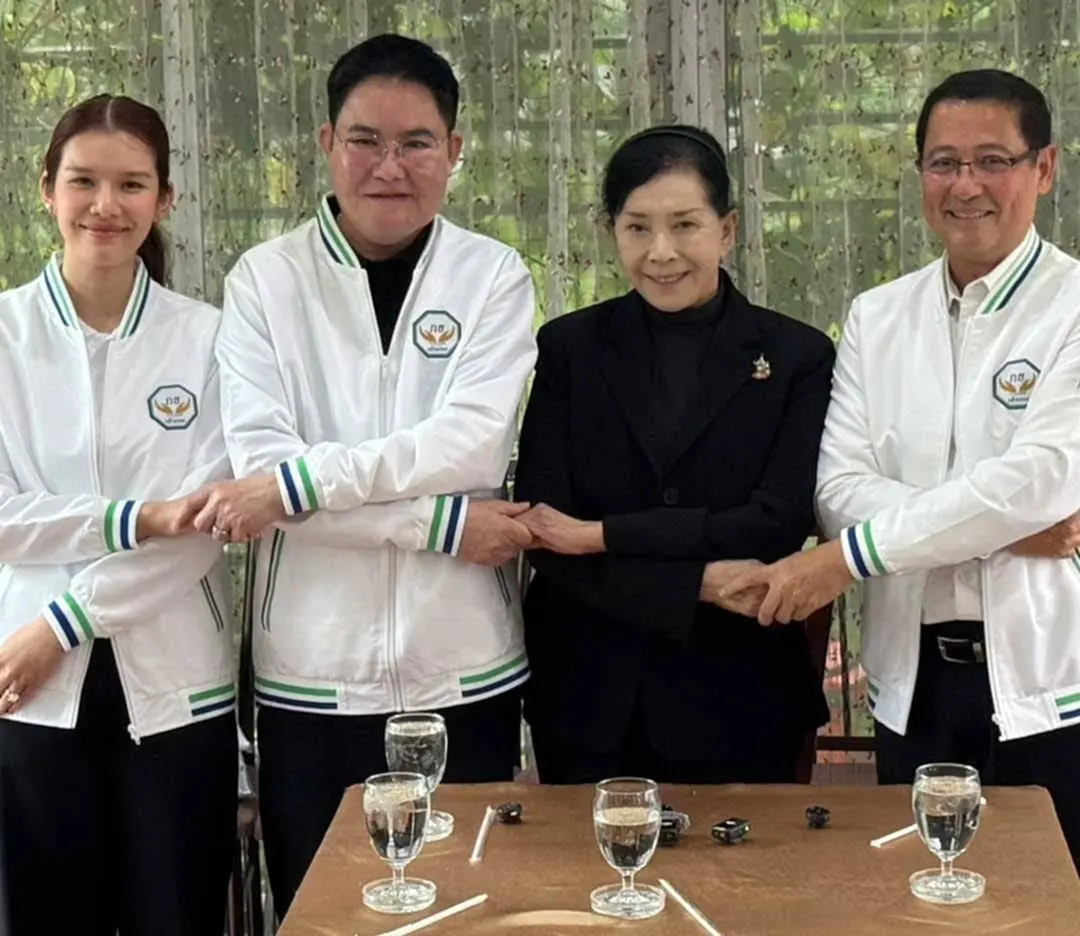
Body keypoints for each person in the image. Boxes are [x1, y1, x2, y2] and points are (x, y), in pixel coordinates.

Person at [203, 34, 537, 916]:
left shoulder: (492, 275)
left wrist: (298, 488)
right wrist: (438, 525)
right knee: (324, 914)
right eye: (365, 140)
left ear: (453, 150)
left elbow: (470, 446)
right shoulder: (265, 281)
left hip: (463, 666)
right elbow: (260, 470)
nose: (390, 167)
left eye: (416, 142)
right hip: (310, 678)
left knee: (468, 912)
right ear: (327, 143)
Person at [720, 70, 1080, 868]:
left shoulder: (1072, 307)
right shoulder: (877, 316)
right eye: (943, 162)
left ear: (1044, 169)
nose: (966, 185)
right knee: (920, 897)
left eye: (993, 161)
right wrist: (997, 528)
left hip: (1053, 685)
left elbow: (1042, 477)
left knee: (1056, 900)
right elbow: (838, 490)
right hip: (915, 689)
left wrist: (851, 557)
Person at [512, 124, 835, 784]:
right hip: (589, 696)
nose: (661, 252)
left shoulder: (797, 355)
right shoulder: (570, 348)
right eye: (638, 228)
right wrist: (696, 584)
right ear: (612, 232)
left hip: (741, 694)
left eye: (685, 225)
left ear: (727, 229)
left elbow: (776, 521)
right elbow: (546, 532)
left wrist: (601, 535)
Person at [0, 94, 237, 935]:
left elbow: (205, 524)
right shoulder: (5, 334)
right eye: (83, 181)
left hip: (175, 688)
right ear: (46, 189)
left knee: (177, 915)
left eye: (132, 184)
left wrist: (64, 621)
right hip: (27, 690)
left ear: (165, 199)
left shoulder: (212, 339)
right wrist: (137, 517)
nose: (106, 205)